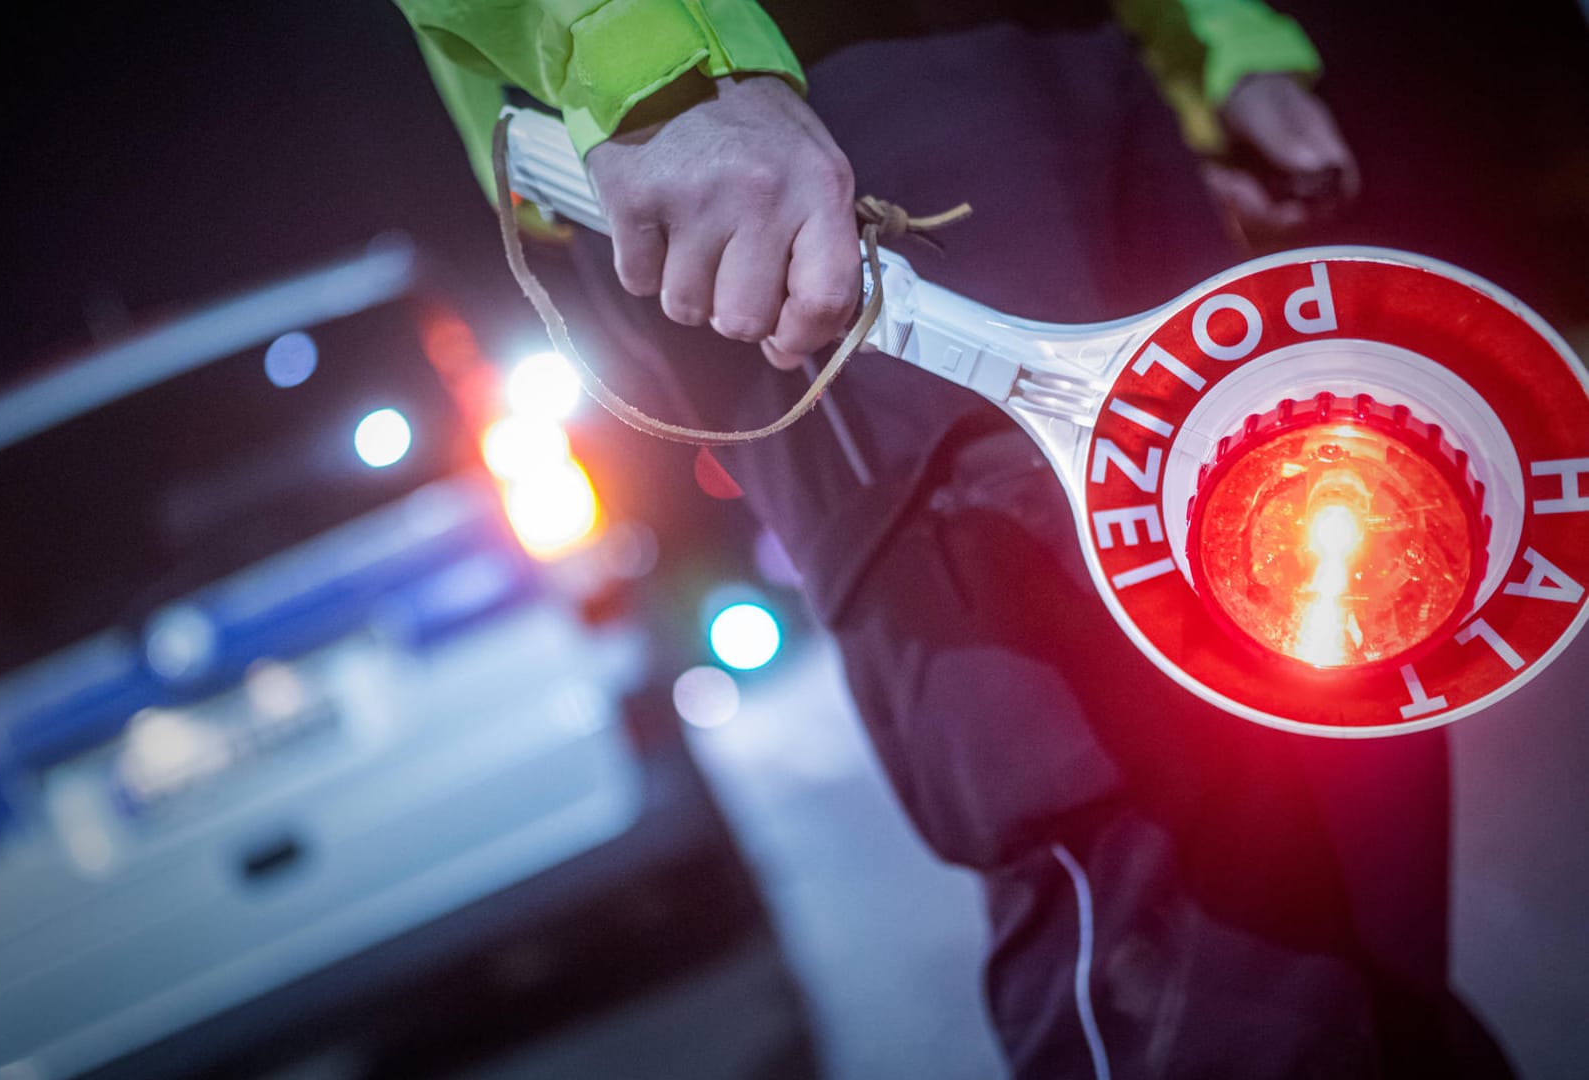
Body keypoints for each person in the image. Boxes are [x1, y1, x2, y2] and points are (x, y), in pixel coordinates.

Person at [392, 2, 1511, 1075]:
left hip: (1081, 48)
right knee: (1127, 815)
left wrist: (1212, 48)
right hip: (793, 88)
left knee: (1343, 713)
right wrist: (659, 73)